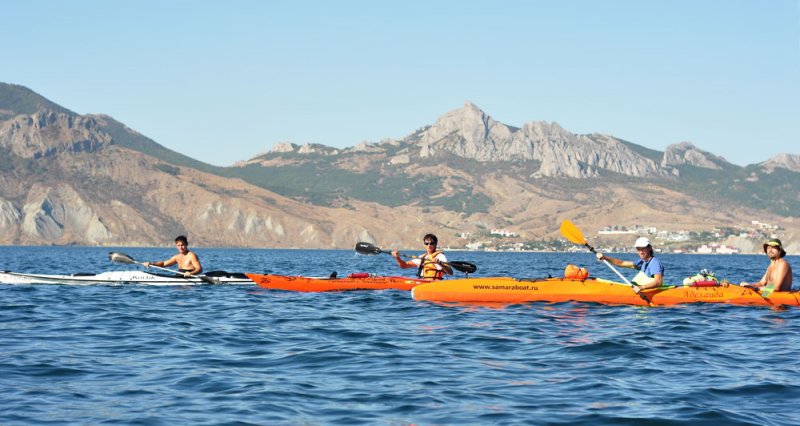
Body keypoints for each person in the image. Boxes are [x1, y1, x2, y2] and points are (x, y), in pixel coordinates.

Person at [595, 237, 664, 293]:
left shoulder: (655, 263)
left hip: (649, 291)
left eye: (643, 249)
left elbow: (658, 282)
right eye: (638, 249)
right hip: (640, 291)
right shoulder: (642, 262)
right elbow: (621, 263)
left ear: (649, 248)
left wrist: (641, 287)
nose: (641, 252)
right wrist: (605, 258)